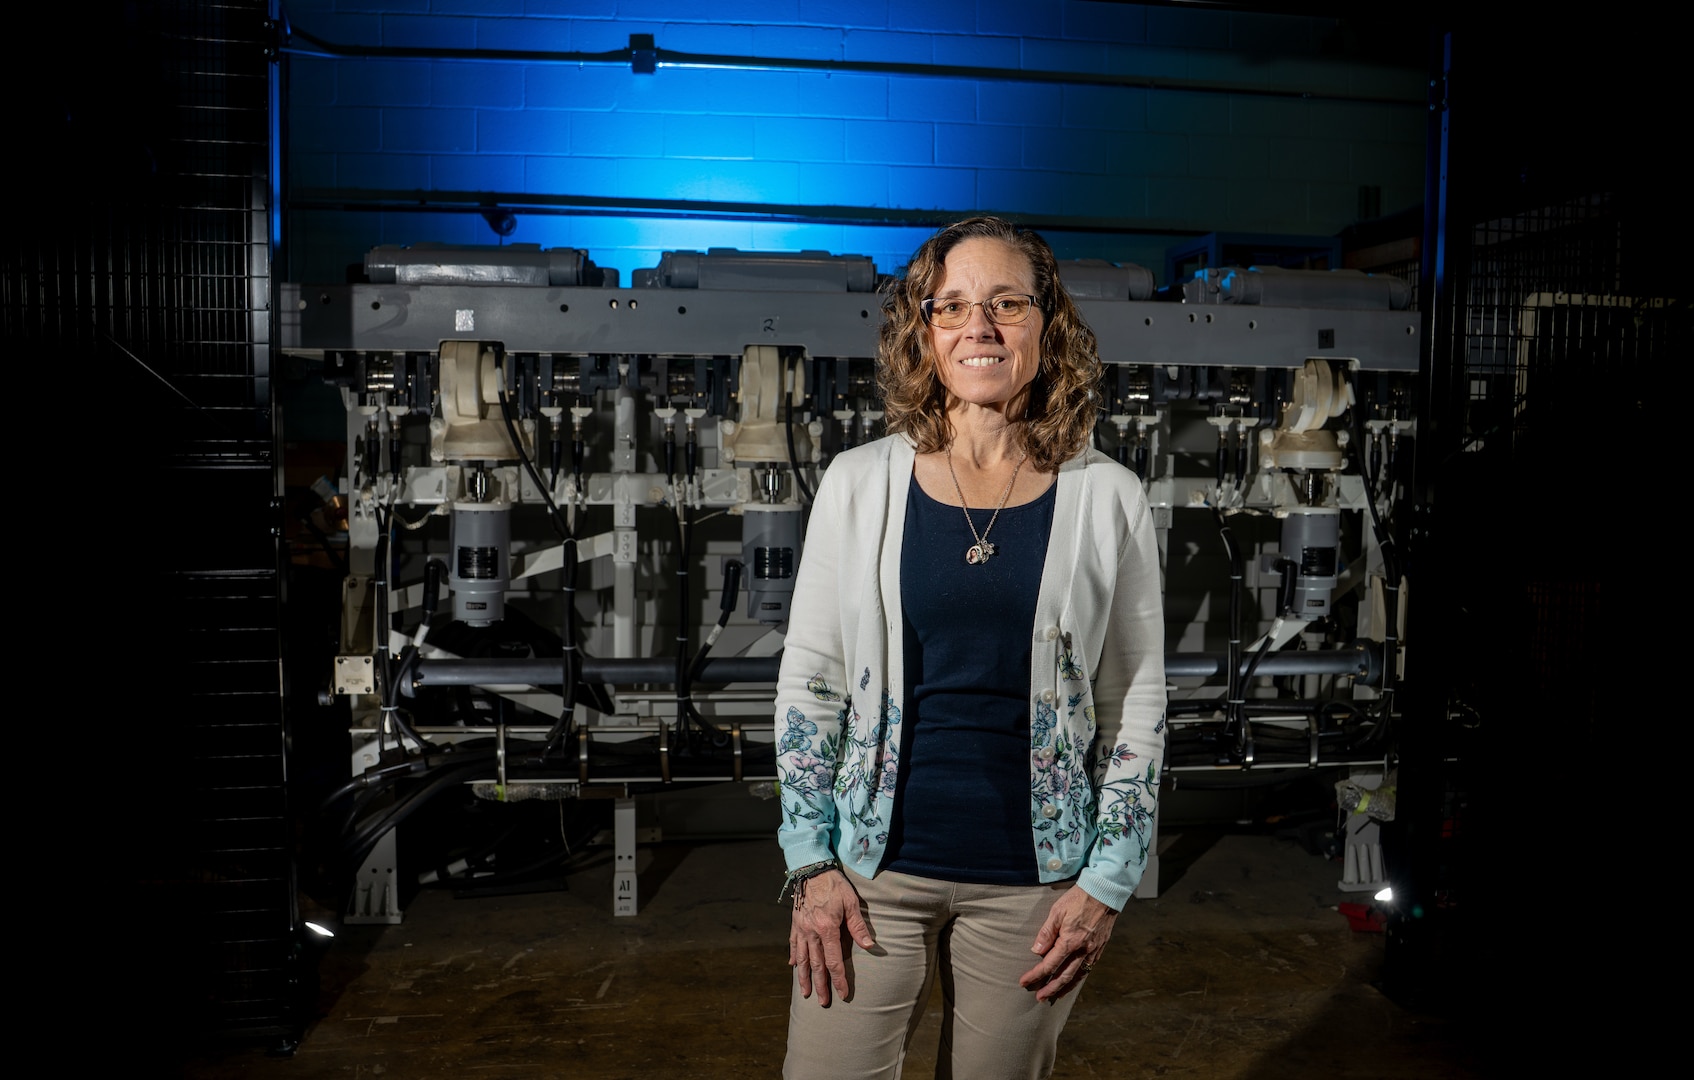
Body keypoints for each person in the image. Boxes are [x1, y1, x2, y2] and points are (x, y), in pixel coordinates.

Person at [774, 217, 1166, 1079]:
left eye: (1006, 303)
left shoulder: (1109, 498)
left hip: (1036, 884)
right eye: (951, 306)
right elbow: (811, 682)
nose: (978, 326)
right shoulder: (857, 482)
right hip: (869, 874)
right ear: (924, 331)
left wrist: (1107, 882)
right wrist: (810, 864)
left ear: (1047, 322)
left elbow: (1135, 701)